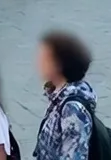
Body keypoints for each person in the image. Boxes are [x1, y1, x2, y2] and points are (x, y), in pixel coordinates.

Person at [34, 32, 96, 160]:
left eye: (44, 58)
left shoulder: (72, 110)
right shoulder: (58, 96)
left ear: (58, 65)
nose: (38, 63)